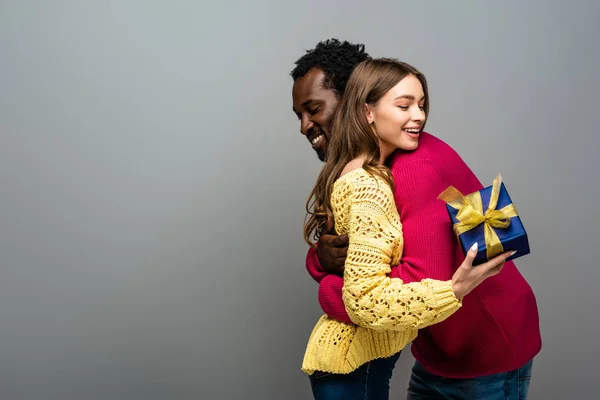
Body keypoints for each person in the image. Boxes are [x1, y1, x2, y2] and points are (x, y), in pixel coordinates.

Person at [291, 39, 541, 400]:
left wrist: (330, 290)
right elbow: (343, 247)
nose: (304, 126)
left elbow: (409, 283)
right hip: (437, 348)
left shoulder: (411, 168)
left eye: (313, 109)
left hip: (485, 351)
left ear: (358, 106)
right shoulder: (369, 168)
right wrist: (320, 258)